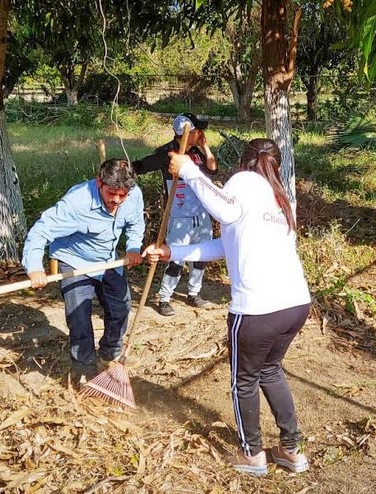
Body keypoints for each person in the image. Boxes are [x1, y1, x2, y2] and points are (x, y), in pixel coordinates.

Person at [143, 138, 312, 477]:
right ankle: (292, 450)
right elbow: (227, 244)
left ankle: (252, 455)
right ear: (277, 166)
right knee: (270, 370)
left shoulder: (244, 182)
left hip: (257, 311)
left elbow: (223, 210)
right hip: (295, 305)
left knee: (243, 381)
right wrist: (174, 252)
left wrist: (188, 170)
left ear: (243, 162)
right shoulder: (279, 196)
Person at [22, 159, 145, 378]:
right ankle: (84, 369)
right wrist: (34, 267)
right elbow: (41, 230)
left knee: (121, 307)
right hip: (74, 260)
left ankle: (110, 354)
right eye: (111, 193)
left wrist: (134, 247)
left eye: (122, 195)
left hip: (108, 260)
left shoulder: (133, 195)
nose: (116, 200)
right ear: (99, 182)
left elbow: (135, 224)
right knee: (79, 318)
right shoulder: (77, 202)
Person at [132, 113, 218, 316]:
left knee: (201, 256)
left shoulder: (196, 152)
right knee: (175, 258)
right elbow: (141, 166)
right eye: (198, 130)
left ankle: (194, 293)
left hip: (201, 213)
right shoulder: (166, 153)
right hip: (179, 215)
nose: (202, 133)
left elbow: (212, 170)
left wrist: (205, 146)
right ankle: (164, 298)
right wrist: (120, 170)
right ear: (189, 132)